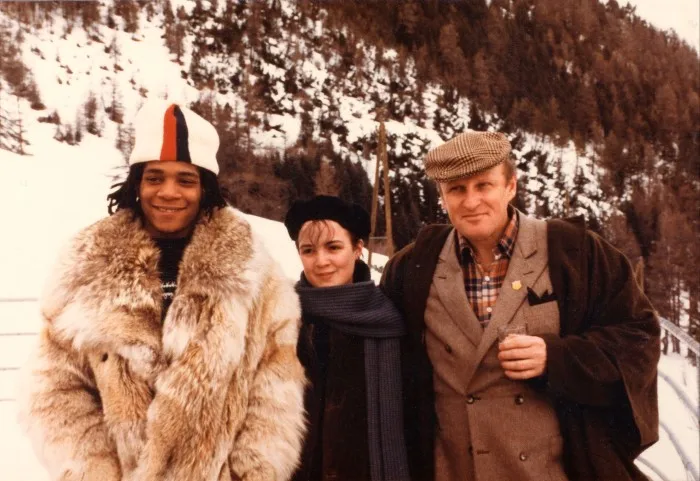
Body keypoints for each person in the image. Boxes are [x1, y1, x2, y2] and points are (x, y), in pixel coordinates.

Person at [18, 100, 306, 481]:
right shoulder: (85, 266)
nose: (169, 192)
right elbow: (54, 386)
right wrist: (94, 469)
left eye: (185, 179)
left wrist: (249, 472)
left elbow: (274, 389)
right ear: (137, 183)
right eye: (155, 177)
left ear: (205, 187)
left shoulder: (254, 271)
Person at [380, 131, 660, 481]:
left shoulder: (575, 252)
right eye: (456, 189)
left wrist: (557, 358)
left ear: (510, 186)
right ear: (442, 197)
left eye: (484, 186)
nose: (471, 202)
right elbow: (380, 358)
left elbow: (639, 337)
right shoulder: (412, 268)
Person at [284, 195, 410, 481]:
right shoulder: (282, 319)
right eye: (308, 250)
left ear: (358, 249)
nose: (321, 261)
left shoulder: (391, 321)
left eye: (333, 247)